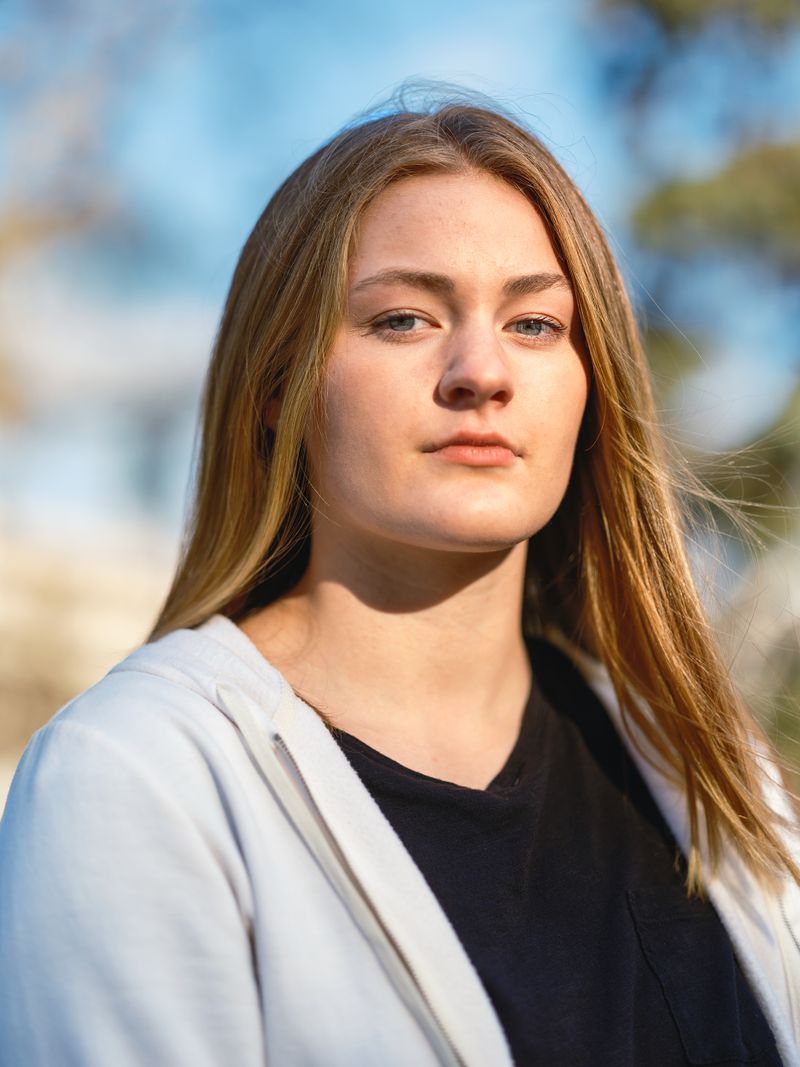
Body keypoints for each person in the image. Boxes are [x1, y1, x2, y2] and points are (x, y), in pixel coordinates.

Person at [1, 92, 799, 1067]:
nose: (479, 371)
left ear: (592, 386)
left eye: (535, 323)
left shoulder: (703, 766)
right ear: (274, 389)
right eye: (403, 317)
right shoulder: (138, 778)